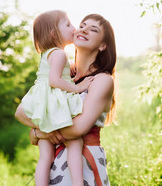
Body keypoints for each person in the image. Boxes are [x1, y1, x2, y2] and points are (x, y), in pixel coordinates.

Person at [15, 13, 117, 186]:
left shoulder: (101, 80)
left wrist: (39, 132)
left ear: (102, 45)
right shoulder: (66, 77)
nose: (84, 29)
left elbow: (78, 129)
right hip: (57, 164)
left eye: (93, 29)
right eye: (82, 25)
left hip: (84, 163)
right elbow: (22, 113)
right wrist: (37, 133)